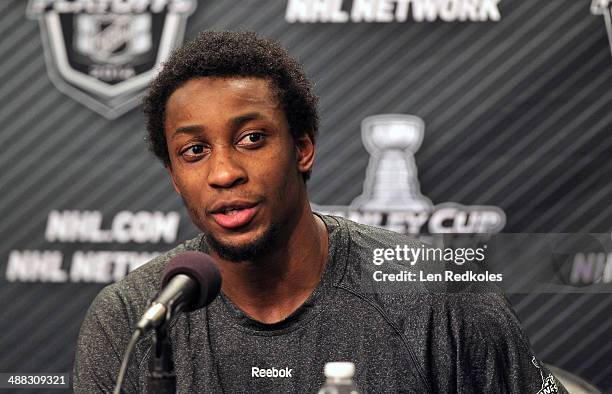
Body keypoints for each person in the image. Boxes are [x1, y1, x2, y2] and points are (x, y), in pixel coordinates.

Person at [74, 31, 567, 393]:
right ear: (173, 176)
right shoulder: (133, 318)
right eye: (194, 151)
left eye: (251, 139)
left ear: (303, 148)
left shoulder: (444, 299)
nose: (224, 173)